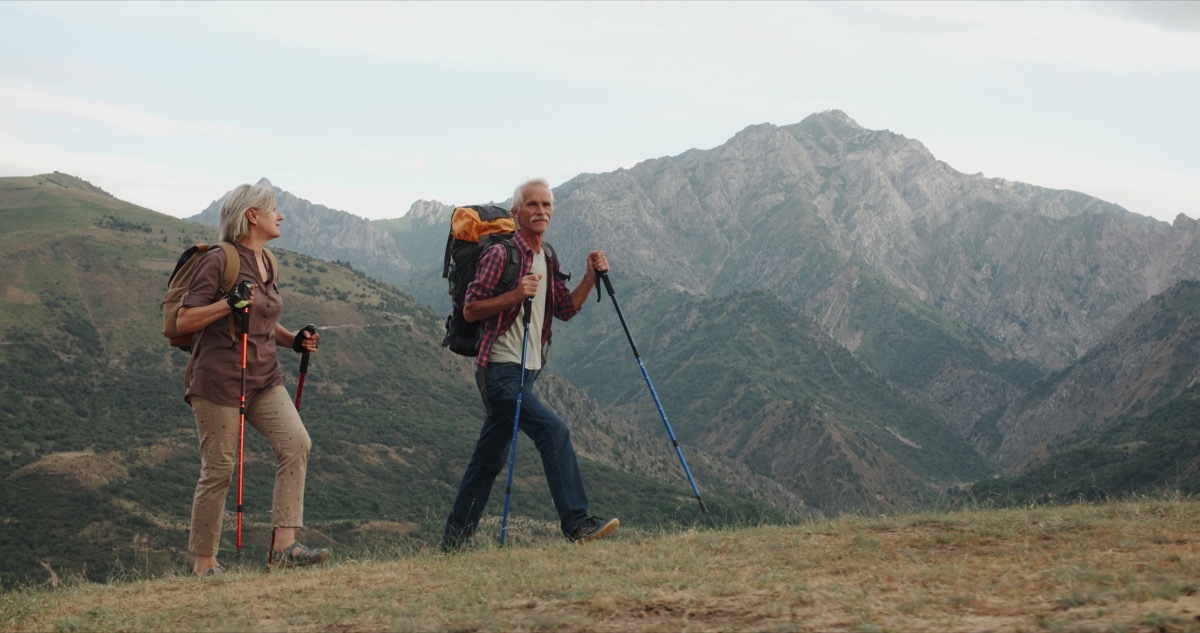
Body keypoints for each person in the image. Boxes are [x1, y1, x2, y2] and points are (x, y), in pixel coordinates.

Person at [442, 178, 619, 551]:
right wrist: (515, 294)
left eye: (546, 205)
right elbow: (471, 309)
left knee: (487, 462)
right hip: (499, 371)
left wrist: (590, 275)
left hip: (527, 372)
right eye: (533, 205)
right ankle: (576, 523)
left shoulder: (547, 256)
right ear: (516, 213)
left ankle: (453, 544)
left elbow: (566, 308)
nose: (541, 211)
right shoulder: (501, 255)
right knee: (554, 432)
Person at [175, 183, 329, 575]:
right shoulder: (219, 261)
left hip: (263, 376)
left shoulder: (269, 263)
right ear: (251, 216)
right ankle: (204, 564)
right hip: (219, 381)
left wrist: (293, 340)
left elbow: (263, 321)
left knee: (296, 443)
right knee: (219, 468)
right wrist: (228, 303)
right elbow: (184, 319)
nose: (280, 216)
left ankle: (284, 546)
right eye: (273, 210)